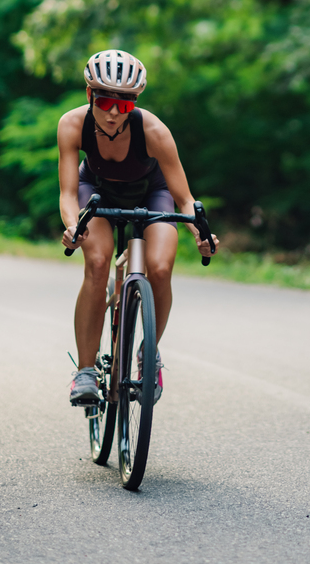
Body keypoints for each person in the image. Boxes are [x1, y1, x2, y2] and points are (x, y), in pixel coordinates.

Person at [58, 48, 217, 406]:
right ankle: (85, 372)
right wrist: (73, 225)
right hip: (96, 192)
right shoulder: (71, 124)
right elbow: (68, 193)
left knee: (160, 268)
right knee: (97, 262)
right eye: (105, 102)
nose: (114, 113)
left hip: (152, 193)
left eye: (125, 105)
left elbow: (185, 198)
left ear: (135, 104)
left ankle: (150, 352)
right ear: (89, 95)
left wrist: (201, 234)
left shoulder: (155, 131)